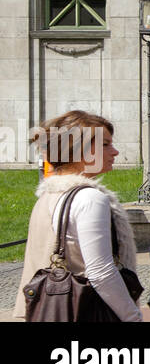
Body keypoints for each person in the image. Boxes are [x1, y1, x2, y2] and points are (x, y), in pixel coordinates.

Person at [14, 111, 142, 322]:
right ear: (80, 150)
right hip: (85, 313)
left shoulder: (48, 195)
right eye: (105, 144)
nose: (115, 152)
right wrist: (133, 317)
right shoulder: (89, 199)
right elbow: (101, 272)